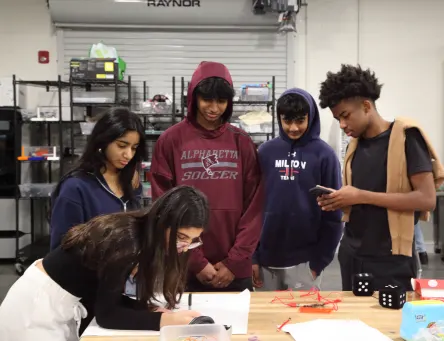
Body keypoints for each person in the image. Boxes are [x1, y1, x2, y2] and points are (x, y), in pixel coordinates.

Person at [0, 186, 208, 341]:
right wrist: (163, 322)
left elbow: (108, 294)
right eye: (181, 237)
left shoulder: (142, 235)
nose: (184, 246)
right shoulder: (126, 241)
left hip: (60, 304)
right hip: (36, 307)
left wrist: (143, 308)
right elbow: (107, 315)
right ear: (163, 222)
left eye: (192, 240)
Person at [316, 64, 444, 291]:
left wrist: (360, 196)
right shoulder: (354, 146)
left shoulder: (407, 137)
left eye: (345, 116)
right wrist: (338, 200)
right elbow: (359, 198)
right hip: (353, 255)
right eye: (338, 119)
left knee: (390, 325)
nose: (343, 125)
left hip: (391, 259)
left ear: (366, 106)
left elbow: (426, 199)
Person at [150, 61, 263, 292]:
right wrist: (196, 261)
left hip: (235, 270)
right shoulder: (170, 141)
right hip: (184, 267)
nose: (214, 108)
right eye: (207, 100)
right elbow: (163, 206)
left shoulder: (241, 142)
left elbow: (255, 208)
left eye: (221, 101)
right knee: (186, 327)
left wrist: (234, 262)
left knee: (239, 328)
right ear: (194, 98)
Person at [252, 88, 342, 291]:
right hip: (266, 257)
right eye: (287, 121)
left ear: (310, 117)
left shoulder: (325, 156)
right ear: (279, 119)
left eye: (300, 121)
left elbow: (334, 214)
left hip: (306, 261)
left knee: (302, 320)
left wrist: (318, 262)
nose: (293, 128)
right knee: (266, 319)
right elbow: (251, 207)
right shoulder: (265, 152)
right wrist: (253, 257)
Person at [50, 107, 147, 250]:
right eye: (122, 145)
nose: (128, 155)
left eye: (134, 148)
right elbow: (62, 248)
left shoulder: (131, 182)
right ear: (103, 141)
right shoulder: (76, 188)